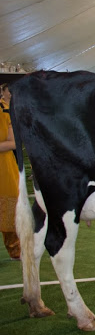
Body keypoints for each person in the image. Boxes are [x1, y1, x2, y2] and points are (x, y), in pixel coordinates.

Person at [0, 83, 20, 260]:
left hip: (4, 166)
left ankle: (15, 249)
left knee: (8, 208)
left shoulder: (5, 111)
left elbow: (13, 143)